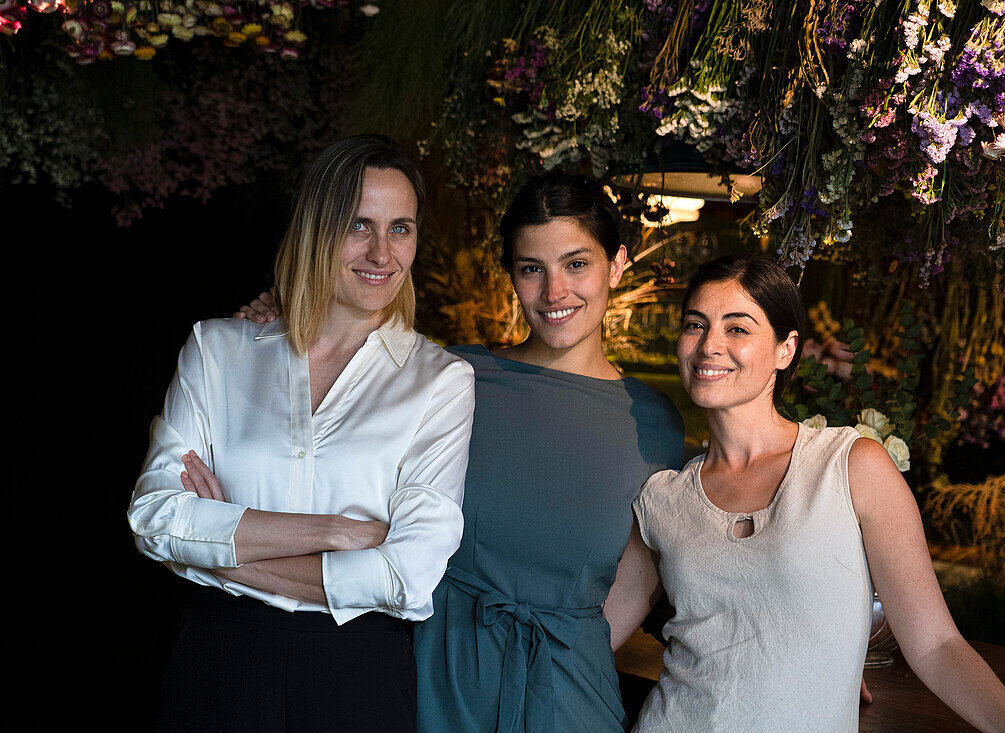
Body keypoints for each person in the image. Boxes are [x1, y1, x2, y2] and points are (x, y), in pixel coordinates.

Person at [236, 172, 686, 732]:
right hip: (436, 677)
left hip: (570, 695)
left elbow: (640, 578)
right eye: (532, 269)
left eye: (576, 264)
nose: (554, 293)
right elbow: (334, 448)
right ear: (513, 275)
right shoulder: (454, 377)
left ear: (616, 264)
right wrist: (269, 329)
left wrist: (558, 646)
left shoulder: (655, 425)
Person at [128, 134, 475, 732]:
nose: (382, 252)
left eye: (401, 228)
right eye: (358, 224)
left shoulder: (441, 382)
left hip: (356, 672)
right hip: (220, 660)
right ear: (317, 227)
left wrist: (218, 553)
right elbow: (156, 517)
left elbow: (409, 576)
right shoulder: (217, 350)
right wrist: (336, 533)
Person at [623, 254, 1005, 731]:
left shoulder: (850, 465)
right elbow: (591, 629)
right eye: (695, 325)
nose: (709, 345)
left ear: (786, 350)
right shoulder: (664, 498)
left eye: (737, 328)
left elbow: (936, 646)